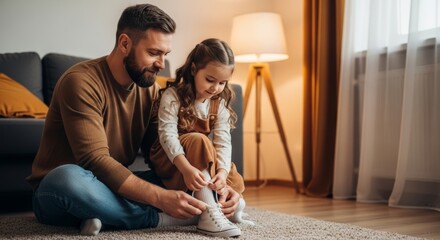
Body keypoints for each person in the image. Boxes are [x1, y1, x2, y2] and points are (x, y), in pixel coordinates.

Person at [25, 4, 241, 236]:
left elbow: (159, 153)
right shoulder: (81, 82)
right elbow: (94, 160)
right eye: (153, 53)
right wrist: (161, 198)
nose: (161, 63)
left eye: (165, 54)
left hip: (113, 185)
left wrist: (222, 184)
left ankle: (106, 216)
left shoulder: (148, 89)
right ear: (125, 44)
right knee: (66, 178)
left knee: (183, 166)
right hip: (64, 188)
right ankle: (162, 219)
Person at [148, 38, 248, 238]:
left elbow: (223, 142)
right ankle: (211, 214)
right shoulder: (173, 95)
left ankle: (224, 207)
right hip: (172, 159)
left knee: (229, 170)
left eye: (222, 82)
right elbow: (167, 135)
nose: (215, 88)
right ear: (193, 69)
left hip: (198, 157)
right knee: (199, 140)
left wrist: (221, 173)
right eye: (210, 80)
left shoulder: (218, 104)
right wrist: (185, 168)